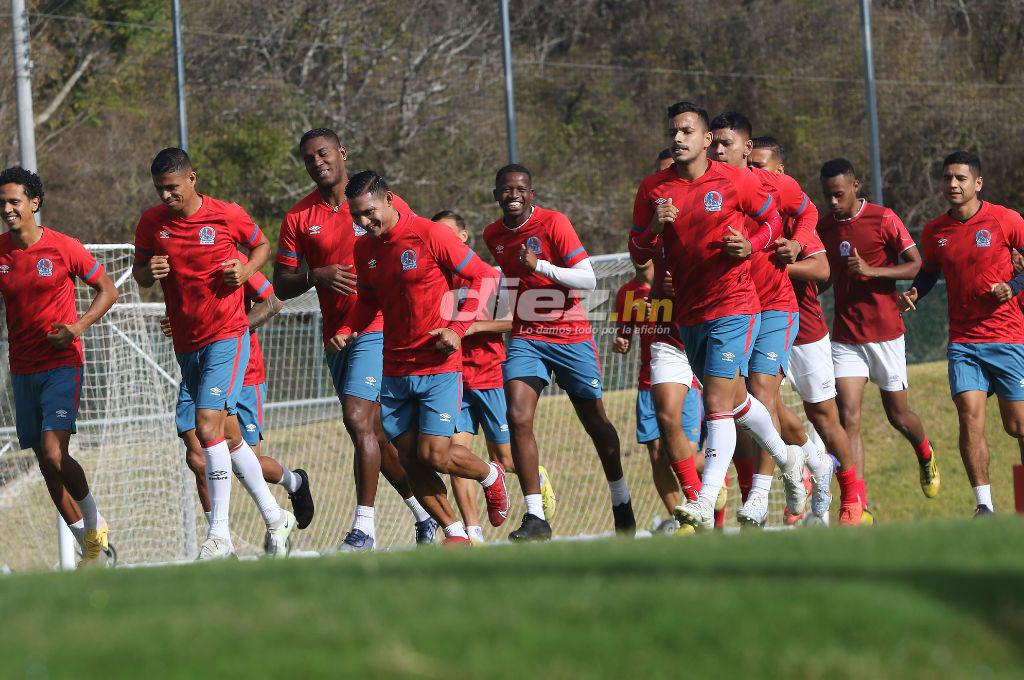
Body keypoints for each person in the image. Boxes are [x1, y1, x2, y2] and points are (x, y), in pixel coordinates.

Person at [630, 101, 806, 532]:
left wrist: (751, 247)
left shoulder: (735, 179)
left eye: (687, 131)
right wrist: (654, 226)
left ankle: (706, 499)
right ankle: (790, 458)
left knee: (714, 403)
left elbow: (770, 224)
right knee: (736, 402)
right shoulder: (654, 189)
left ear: (707, 140)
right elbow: (638, 252)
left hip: (735, 304)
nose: (678, 138)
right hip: (690, 313)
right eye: (673, 131)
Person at [274, 128, 436, 551]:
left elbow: (415, 246)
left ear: (342, 153)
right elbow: (281, 283)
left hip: (378, 328)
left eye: (324, 153)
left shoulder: (379, 201)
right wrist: (316, 275)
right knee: (375, 437)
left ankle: (363, 529)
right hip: (337, 338)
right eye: (309, 158)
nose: (318, 163)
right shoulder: (298, 218)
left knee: (357, 419)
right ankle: (426, 516)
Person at [133, 147, 294, 560]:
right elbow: (139, 274)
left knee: (207, 427)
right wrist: (149, 271)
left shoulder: (225, 214)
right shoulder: (152, 223)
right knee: (229, 433)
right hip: (187, 344)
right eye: (159, 190)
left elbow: (261, 246)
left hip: (227, 334)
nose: (166, 197)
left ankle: (219, 535)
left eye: (172, 188)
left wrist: (245, 270)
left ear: (192, 179)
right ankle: (276, 516)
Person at [334, 171, 509, 545]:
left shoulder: (430, 234)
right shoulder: (364, 248)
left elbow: (484, 277)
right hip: (395, 368)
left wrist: (457, 329)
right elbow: (367, 302)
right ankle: (454, 532)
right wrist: (349, 328)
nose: (365, 223)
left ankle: (492, 476)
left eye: (369, 213)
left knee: (435, 454)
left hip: (437, 365)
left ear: (390, 199)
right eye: (357, 217)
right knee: (410, 459)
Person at [485, 164, 635, 542]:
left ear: (532, 194)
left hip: (570, 336)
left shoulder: (554, 223)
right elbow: (511, 279)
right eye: (506, 189)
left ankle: (621, 500)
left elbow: (588, 279)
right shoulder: (493, 235)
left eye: (521, 189)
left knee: (595, 423)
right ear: (496, 194)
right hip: (526, 336)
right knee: (518, 416)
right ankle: (536, 516)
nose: (513, 195)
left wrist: (542, 267)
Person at [708, 113, 835, 528]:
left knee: (763, 393)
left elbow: (809, 212)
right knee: (755, 405)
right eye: (715, 143)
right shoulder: (706, 187)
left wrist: (796, 243)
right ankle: (811, 458)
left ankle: (760, 495)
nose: (718, 150)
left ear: (746, 148)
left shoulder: (775, 185)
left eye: (726, 143)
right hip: (731, 307)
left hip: (776, 304)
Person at [0, 166, 118, 567]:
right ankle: (91, 547)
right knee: (45, 463)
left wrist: (76, 328)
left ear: (34, 203)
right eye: (2, 203)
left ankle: (95, 522)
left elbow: (108, 289)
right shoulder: (0, 252)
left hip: (62, 365)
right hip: (22, 370)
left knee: (54, 453)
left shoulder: (63, 247)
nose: (7, 209)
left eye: (14, 201)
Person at [899, 150, 1024, 516]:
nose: (952, 184)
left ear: (978, 183)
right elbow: (928, 271)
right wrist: (914, 292)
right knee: (969, 416)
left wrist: (1013, 287)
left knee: (1018, 426)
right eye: (947, 178)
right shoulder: (936, 230)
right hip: (964, 343)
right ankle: (984, 506)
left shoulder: (1004, 220)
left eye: (961, 178)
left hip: (1008, 338)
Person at [748, 137, 862, 525]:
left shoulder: (796, 214)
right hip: (759, 325)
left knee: (825, 417)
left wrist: (769, 265)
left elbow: (822, 270)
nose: (754, 173)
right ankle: (798, 469)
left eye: (761, 166)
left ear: (779, 172)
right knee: (763, 409)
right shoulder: (739, 208)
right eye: (750, 165)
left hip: (805, 330)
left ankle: (850, 495)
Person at [818, 158, 940, 520]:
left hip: (885, 333)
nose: (833, 202)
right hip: (845, 336)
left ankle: (925, 453)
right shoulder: (825, 227)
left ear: (855, 187)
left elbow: (915, 264)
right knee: (848, 418)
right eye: (827, 196)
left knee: (898, 416)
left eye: (838, 194)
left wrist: (872, 271)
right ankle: (858, 505)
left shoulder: (883, 218)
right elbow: (827, 275)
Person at [162, 266, 315, 535]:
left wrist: (228, 331)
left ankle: (294, 482)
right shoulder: (175, 252)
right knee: (198, 458)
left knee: (246, 462)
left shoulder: (232, 258)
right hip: (195, 369)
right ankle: (221, 542)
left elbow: (273, 300)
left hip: (243, 372)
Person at [432, 210, 519, 545]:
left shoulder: (485, 276)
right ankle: (472, 533)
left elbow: (513, 320)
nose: (438, 241)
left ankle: (535, 482)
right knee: (456, 455)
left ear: (463, 237)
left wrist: (471, 326)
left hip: (490, 376)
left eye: (446, 234)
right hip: (454, 380)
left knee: (507, 459)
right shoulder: (435, 278)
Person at [612, 260, 705, 529]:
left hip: (684, 377)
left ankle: (712, 474)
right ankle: (684, 519)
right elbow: (624, 335)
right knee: (657, 454)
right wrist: (621, 341)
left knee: (684, 451)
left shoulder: (676, 279)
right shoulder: (627, 293)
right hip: (647, 382)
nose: (639, 255)